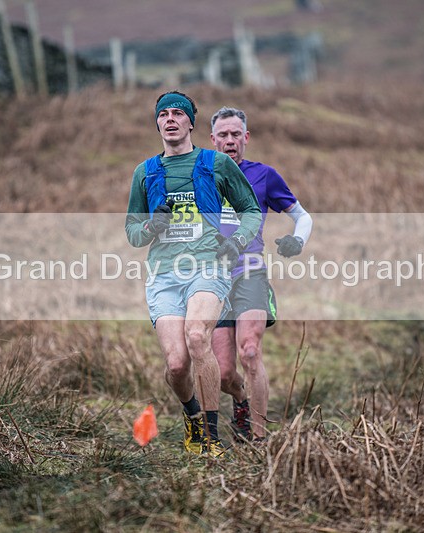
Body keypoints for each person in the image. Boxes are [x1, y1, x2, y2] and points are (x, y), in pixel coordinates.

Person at [125, 91, 261, 457]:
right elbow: (133, 234)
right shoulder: (146, 172)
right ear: (157, 123)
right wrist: (154, 225)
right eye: (163, 114)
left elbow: (250, 210)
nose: (170, 119)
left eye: (177, 114)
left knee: (198, 335)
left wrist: (237, 242)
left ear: (190, 122)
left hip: (208, 267)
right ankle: (192, 417)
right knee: (176, 364)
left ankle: (211, 440)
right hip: (165, 275)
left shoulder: (215, 163)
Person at [209, 106, 312, 441]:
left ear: (246, 138)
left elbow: (303, 216)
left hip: (250, 272)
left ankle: (258, 438)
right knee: (224, 374)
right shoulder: (200, 176)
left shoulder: (264, 175)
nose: (229, 141)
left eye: (235, 134)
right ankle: (239, 401)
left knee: (250, 351)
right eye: (223, 135)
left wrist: (297, 240)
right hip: (212, 278)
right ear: (212, 140)